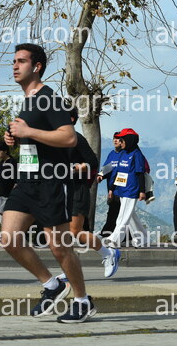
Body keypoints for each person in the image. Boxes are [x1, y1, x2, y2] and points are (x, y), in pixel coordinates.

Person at [2, 43, 95, 323]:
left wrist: (28, 130)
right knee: (9, 239)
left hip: (51, 183)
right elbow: (36, 139)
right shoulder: (29, 100)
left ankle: (82, 300)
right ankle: (52, 285)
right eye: (14, 61)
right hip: (27, 182)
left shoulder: (48, 98)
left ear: (37, 67)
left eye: (21, 61)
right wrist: (16, 138)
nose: (15, 66)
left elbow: (69, 137)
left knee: (60, 247)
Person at [64, 107, 119, 278]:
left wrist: (76, 168)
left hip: (77, 190)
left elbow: (93, 162)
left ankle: (108, 253)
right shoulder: (55, 141)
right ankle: (68, 270)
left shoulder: (77, 139)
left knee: (75, 232)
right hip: (61, 191)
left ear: (71, 119)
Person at [106, 129, 147, 248]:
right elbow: (117, 172)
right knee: (131, 216)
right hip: (121, 189)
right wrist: (112, 188)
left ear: (129, 140)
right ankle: (142, 239)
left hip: (131, 189)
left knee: (123, 216)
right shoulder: (123, 153)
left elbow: (140, 173)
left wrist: (142, 191)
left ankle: (115, 239)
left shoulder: (137, 154)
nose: (120, 142)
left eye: (122, 140)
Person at [98, 132, 122, 237]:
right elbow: (106, 169)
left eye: (118, 139)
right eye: (114, 138)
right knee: (114, 210)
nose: (115, 140)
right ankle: (125, 235)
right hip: (111, 189)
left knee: (116, 211)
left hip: (120, 189)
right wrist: (101, 176)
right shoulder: (112, 154)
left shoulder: (125, 154)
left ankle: (108, 233)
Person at [0, 141, 18, 223]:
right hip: (1, 196)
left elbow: (17, 179)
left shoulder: (13, 162)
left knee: (8, 220)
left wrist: (14, 192)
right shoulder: (1, 163)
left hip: (10, 196)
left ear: (5, 151)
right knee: (1, 217)